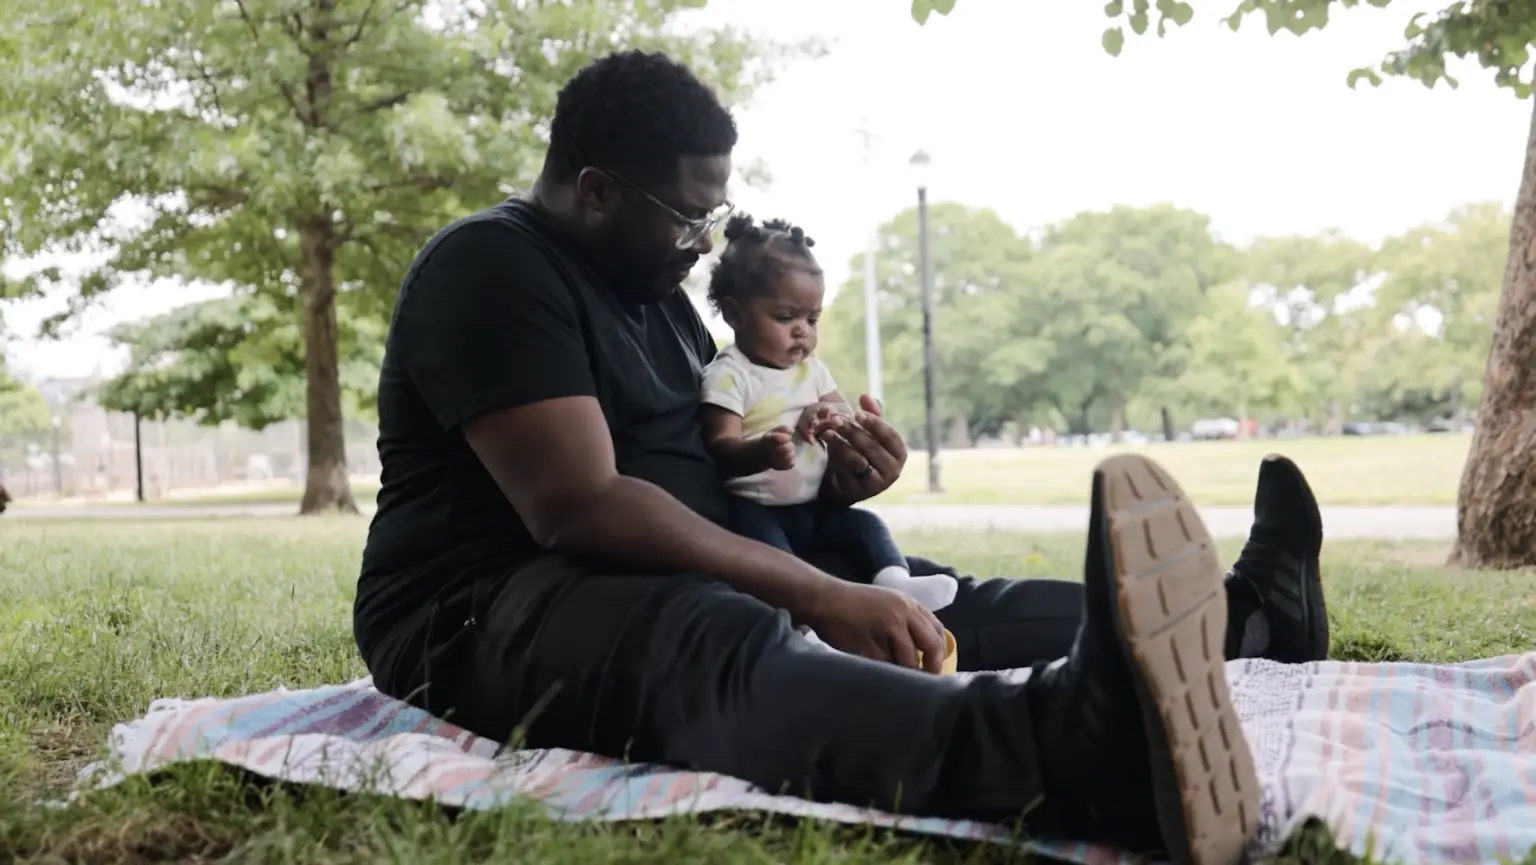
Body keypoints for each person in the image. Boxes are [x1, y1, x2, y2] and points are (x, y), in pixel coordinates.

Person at [352, 50, 1329, 865]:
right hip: (480, 610)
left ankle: (1246, 625)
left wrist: (830, 485)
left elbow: (712, 471)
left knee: (917, 599)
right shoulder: (492, 266)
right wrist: (810, 594)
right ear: (596, 189)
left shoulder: (658, 301)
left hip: (636, 568)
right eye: (688, 218)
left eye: (715, 219)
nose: (702, 245)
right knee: (714, 628)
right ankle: (1065, 751)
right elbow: (581, 506)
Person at [699, 213, 958, 613]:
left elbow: (840, 410)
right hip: (754, 510)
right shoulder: (730, 374)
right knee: (775, 568)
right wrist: (761, 452)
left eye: (812, 318)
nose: (802, 330)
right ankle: (799, 629)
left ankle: (896, 582)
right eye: (785, 317)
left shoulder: (811, 369)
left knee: (865, 526)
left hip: (814, 505)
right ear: (735, 315)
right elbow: (721, 443)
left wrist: (830, 416)